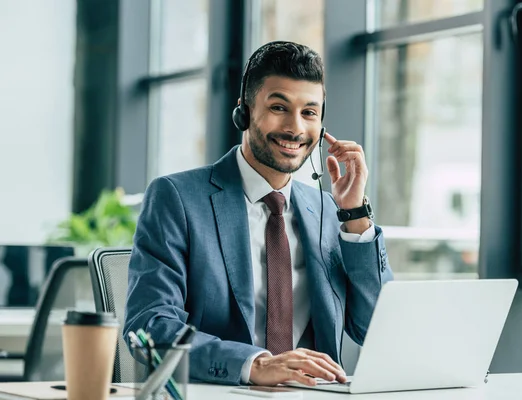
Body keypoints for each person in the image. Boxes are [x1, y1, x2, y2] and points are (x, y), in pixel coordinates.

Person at [123, 41, 393, 386]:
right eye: (279, 107)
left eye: (309, 112)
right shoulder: (177, 198)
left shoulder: (328, 210)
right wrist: (255, 365)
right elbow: (149, 325)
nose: (295, 128)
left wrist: (355, 214)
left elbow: (373, 327)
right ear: (245, 111)